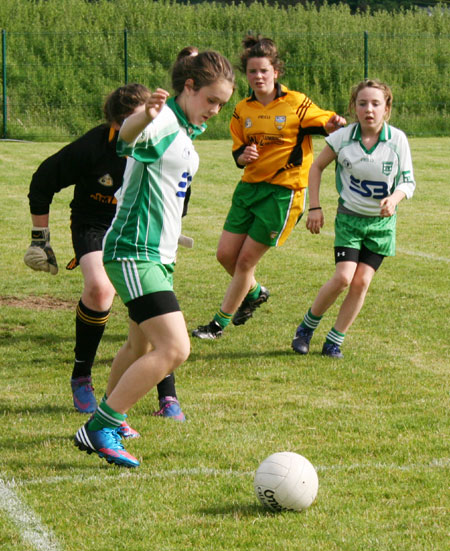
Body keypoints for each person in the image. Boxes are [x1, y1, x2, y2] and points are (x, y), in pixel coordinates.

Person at [73, 48, 235, 468]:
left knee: (139, 343)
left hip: (156, 255)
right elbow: (126, 136)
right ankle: (102, 426)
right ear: (189, 88)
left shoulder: (182, 131)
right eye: (211, 100)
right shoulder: (162, 121)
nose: (216, 110)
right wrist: (144, 114)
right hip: (133, 251)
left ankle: (110, 415)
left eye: (222, 104)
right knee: (176, 347)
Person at [24, 83, 186, 424]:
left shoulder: (165, 143)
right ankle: (82, 375)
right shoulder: (93, 147)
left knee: (151, 312)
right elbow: (42, 181)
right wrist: (40, 238)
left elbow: (179, 193)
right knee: (99, 290)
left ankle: (166, 394)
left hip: (139, 231)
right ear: (116, 125)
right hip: (96, 225)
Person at [192, 35, 346, 340]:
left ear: (276, 72)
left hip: (282, 193)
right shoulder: (241, 110)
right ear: (245, 75)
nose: (258, 77)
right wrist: (242, 155)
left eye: (264, 71)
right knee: (226, 255)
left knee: (246, 261)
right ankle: (256, 292)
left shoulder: (296, 104)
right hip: (248, 189)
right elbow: (238, 151)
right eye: (252, 72)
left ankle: (217, 325)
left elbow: (325, 121)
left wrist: (333, 123)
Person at [292, 79, 415, 358]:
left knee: (361, 283)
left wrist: (393, 200)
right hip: (349, 219)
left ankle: (334, 340)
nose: (368, 109)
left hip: (381, 226)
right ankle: (306, 329)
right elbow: (316, 167)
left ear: (387, 108)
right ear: (354, 107)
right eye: (362, 103)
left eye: (375, 103)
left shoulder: (397, 140)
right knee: (344, 277)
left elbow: (408, 182)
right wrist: (315, 207)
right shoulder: (342, 138)